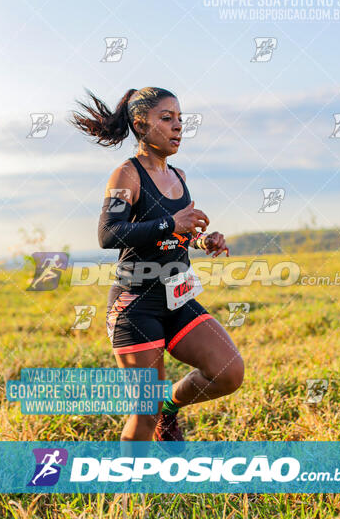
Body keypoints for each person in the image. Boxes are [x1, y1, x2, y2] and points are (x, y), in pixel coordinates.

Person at [69, 86, 244, 441]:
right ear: (140, 124)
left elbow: (174, 234)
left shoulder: (179, 177)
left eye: (180, 118)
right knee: (143, 414)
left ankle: (171, 409)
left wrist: (201, 239)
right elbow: (109, 234)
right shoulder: (126, 175)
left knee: (228, 372)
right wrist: (172, 224)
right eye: (167, 119)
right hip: (135, 305)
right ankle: (128, 497)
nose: (178, 126)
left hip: (177, 299)